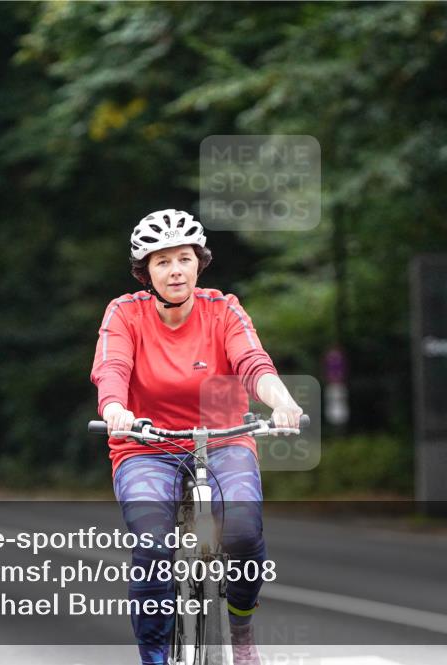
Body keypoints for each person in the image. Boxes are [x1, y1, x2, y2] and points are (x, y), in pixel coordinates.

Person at [91, 209, 303, 665]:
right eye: (162, 261)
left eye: (183, 258)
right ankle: (154, 659)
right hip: (146, 445)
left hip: (223, 439)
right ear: (145, 270)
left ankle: (241, 628)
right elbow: (112, 368)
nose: (175, 270)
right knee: (151, 545)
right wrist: (115, 410)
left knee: (244, 532)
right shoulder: (125, 313)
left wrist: (282, 402)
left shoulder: (223, 308)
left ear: (198, 262)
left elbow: (252, 363)